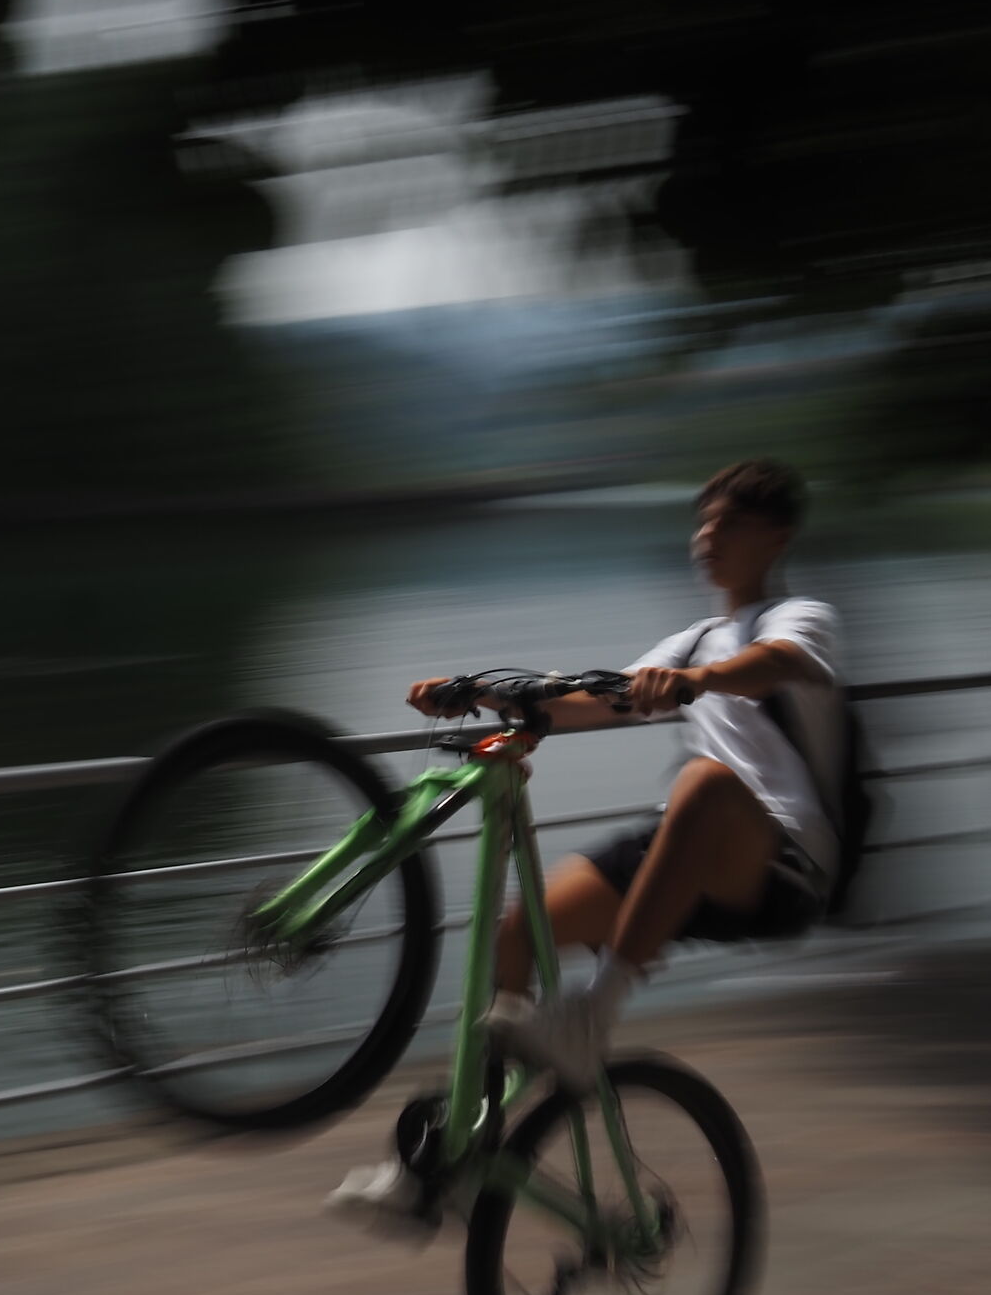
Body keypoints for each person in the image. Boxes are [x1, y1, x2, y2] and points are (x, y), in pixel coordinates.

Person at [329, 458, 847, 1232]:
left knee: (704, 783)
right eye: (703, 521)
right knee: (514, 937)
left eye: (730, 523)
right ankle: (451, 1160)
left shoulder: (799, 618)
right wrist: (476, 692)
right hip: (687, 847)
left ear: (776, 538)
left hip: (780, 864)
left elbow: (780, 665)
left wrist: (699, 682)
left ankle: (591, 1016)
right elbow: (588, 704)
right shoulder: (693, 641)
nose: (707, 536)